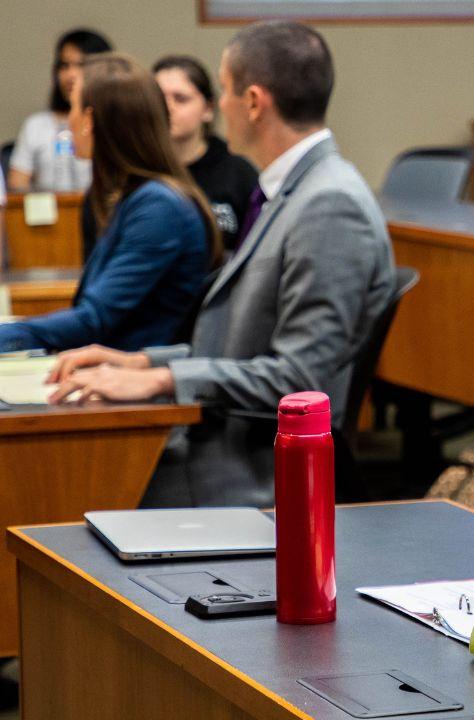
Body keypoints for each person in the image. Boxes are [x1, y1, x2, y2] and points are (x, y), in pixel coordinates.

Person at [46, 21, 395, 509]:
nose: (222, 108)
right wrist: (141, 361)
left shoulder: (329, 203)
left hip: (243, 466)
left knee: (62, 487)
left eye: (225, 91)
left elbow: (301, 381)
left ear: (253, 102)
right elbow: (240, 343)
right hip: (224, 439)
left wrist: (163, 381)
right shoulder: (293, 190)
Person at [0, 54, 213, 353]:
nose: (67, 122)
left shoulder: (158, 207)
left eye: (72, 108)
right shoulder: (134, 199)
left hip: (141, 385)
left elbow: (94, 319)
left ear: (88, 121)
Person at [154, 56, 258, 244]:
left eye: (181, 99)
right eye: (159, 99)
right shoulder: (137, 167)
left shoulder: (237, 172)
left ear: (208, 109)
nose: (168, 108)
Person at [7, 29, 111, 192]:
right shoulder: (36, 125)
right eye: (64, 66)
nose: (71, 75)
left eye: (81, 65)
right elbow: (17, 188)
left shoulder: (115, 125)